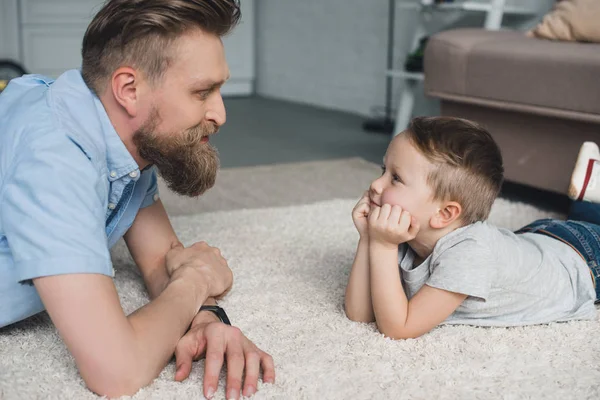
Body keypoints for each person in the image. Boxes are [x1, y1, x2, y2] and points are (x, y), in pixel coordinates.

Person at [0, 1, 274, 398]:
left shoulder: (125, 136)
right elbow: (116, 371)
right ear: (128, 90)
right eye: (202, 92)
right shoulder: (56, 159)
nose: (220, 113)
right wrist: (197, 282)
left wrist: (209, 318)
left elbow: (164, 259)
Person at [345, 116, 599, 340]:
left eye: (395, 178)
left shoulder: (468, 255)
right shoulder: (403, 232)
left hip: (584, 261)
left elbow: (399, 328)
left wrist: (382, 245)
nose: (376, 184)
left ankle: (588, 197)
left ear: (445, 213)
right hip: (538, 237)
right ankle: (588, 197)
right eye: (383, 170)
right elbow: (359, 314)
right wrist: (368, 238)